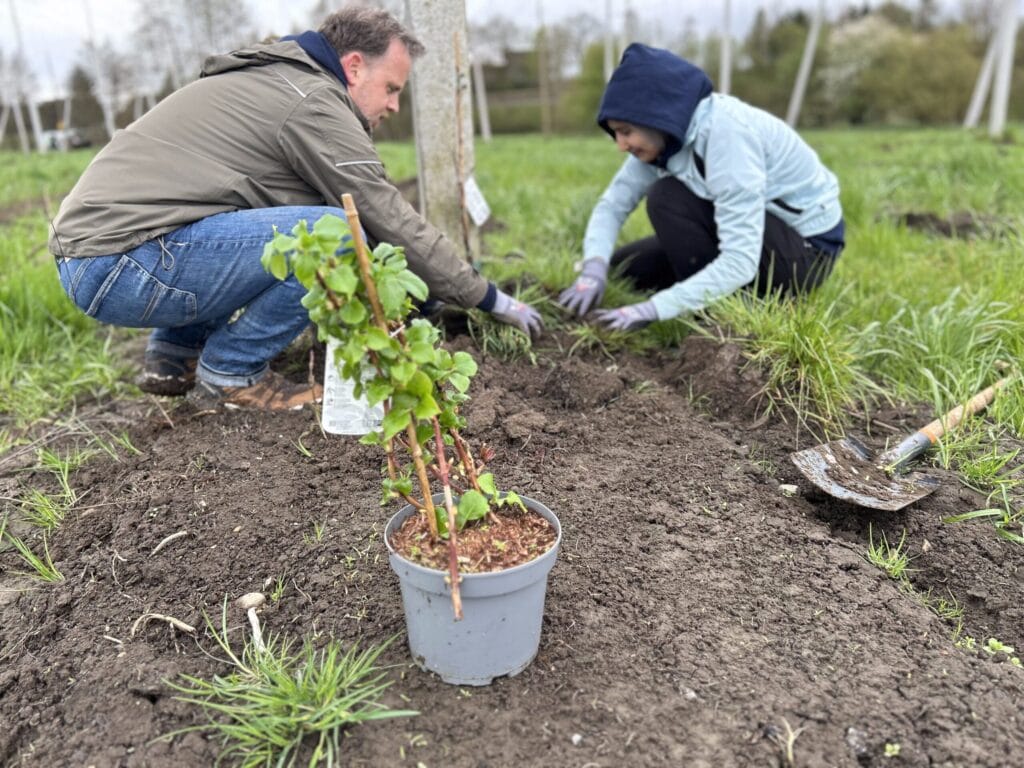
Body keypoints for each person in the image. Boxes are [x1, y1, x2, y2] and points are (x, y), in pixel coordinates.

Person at [49, 7, 542, 411]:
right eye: (392, 88)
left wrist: (425, 294)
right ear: (353, 67)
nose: (393, 106)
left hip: (97, 260)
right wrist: (487, 298)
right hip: (125, 263)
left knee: (265, 229)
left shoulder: (276, 82)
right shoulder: (312, 101)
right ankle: (231, 373)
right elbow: (381, 214)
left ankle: (174, 355)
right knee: (332, 234)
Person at [559, 43, 844, 331]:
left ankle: (716, 320)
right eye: (615, 133)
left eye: (626, 132)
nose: (621, 146)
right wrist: (593, 268)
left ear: (655, 117)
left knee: (667, 197)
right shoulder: (662, 141)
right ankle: (701, 290)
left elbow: (740, 259)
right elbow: (613, 206)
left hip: (805, 253)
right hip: (754, 233)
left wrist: (654, 309)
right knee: (624, 268)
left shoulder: (728, 137)